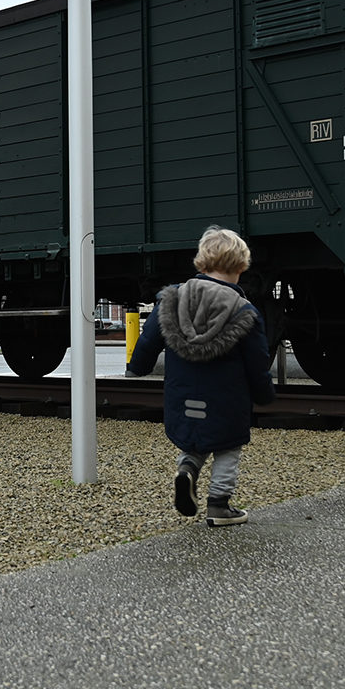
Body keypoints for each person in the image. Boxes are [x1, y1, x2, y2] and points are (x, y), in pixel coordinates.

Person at [126, 226, 275, 527]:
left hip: (182, 397)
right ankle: (219, 506)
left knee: (194, 442)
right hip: (227, 400)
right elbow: (257, 362)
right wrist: (264, 394)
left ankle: (187, 471)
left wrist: (137, 367)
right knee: (227, 447)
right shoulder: (244, 311)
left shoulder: (171, 299)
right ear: (242, 266)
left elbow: (148, 340)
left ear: (201, 262)